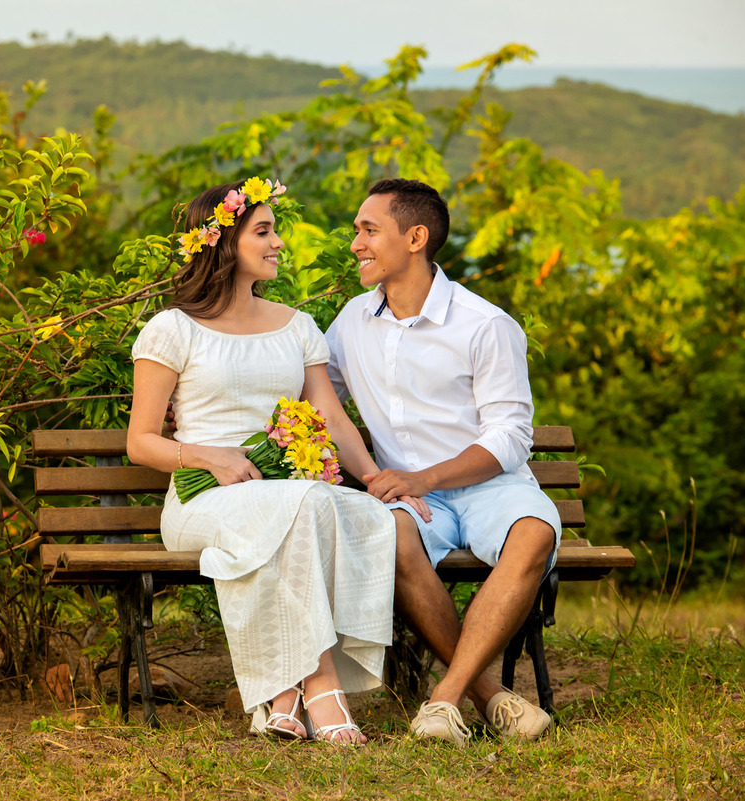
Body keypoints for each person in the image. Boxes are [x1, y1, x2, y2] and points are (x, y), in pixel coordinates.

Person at [127, 178, 429, 746]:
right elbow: (141, 442)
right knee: (304, 507)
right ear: (222, 242)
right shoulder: (172, 329)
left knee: (352, 512)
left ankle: (283, 695)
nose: (278, 243)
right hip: (201, 499)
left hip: (285, 495)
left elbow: (334, 422)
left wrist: (375, 482)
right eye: (264, 231)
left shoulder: (295, 326)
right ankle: (321, 685)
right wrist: (209, 455)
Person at [324, 177, 561, 746]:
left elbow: (509, 436)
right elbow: (313, 391)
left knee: (533, 535)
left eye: (368, 229)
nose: (355, 242)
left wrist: (423, 475)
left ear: (415, 237)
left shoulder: (486, 324)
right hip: (409, 499)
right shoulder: (352, 321)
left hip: (489, 486)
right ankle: (489, 698)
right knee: (393, 539)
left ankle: (443, 700)